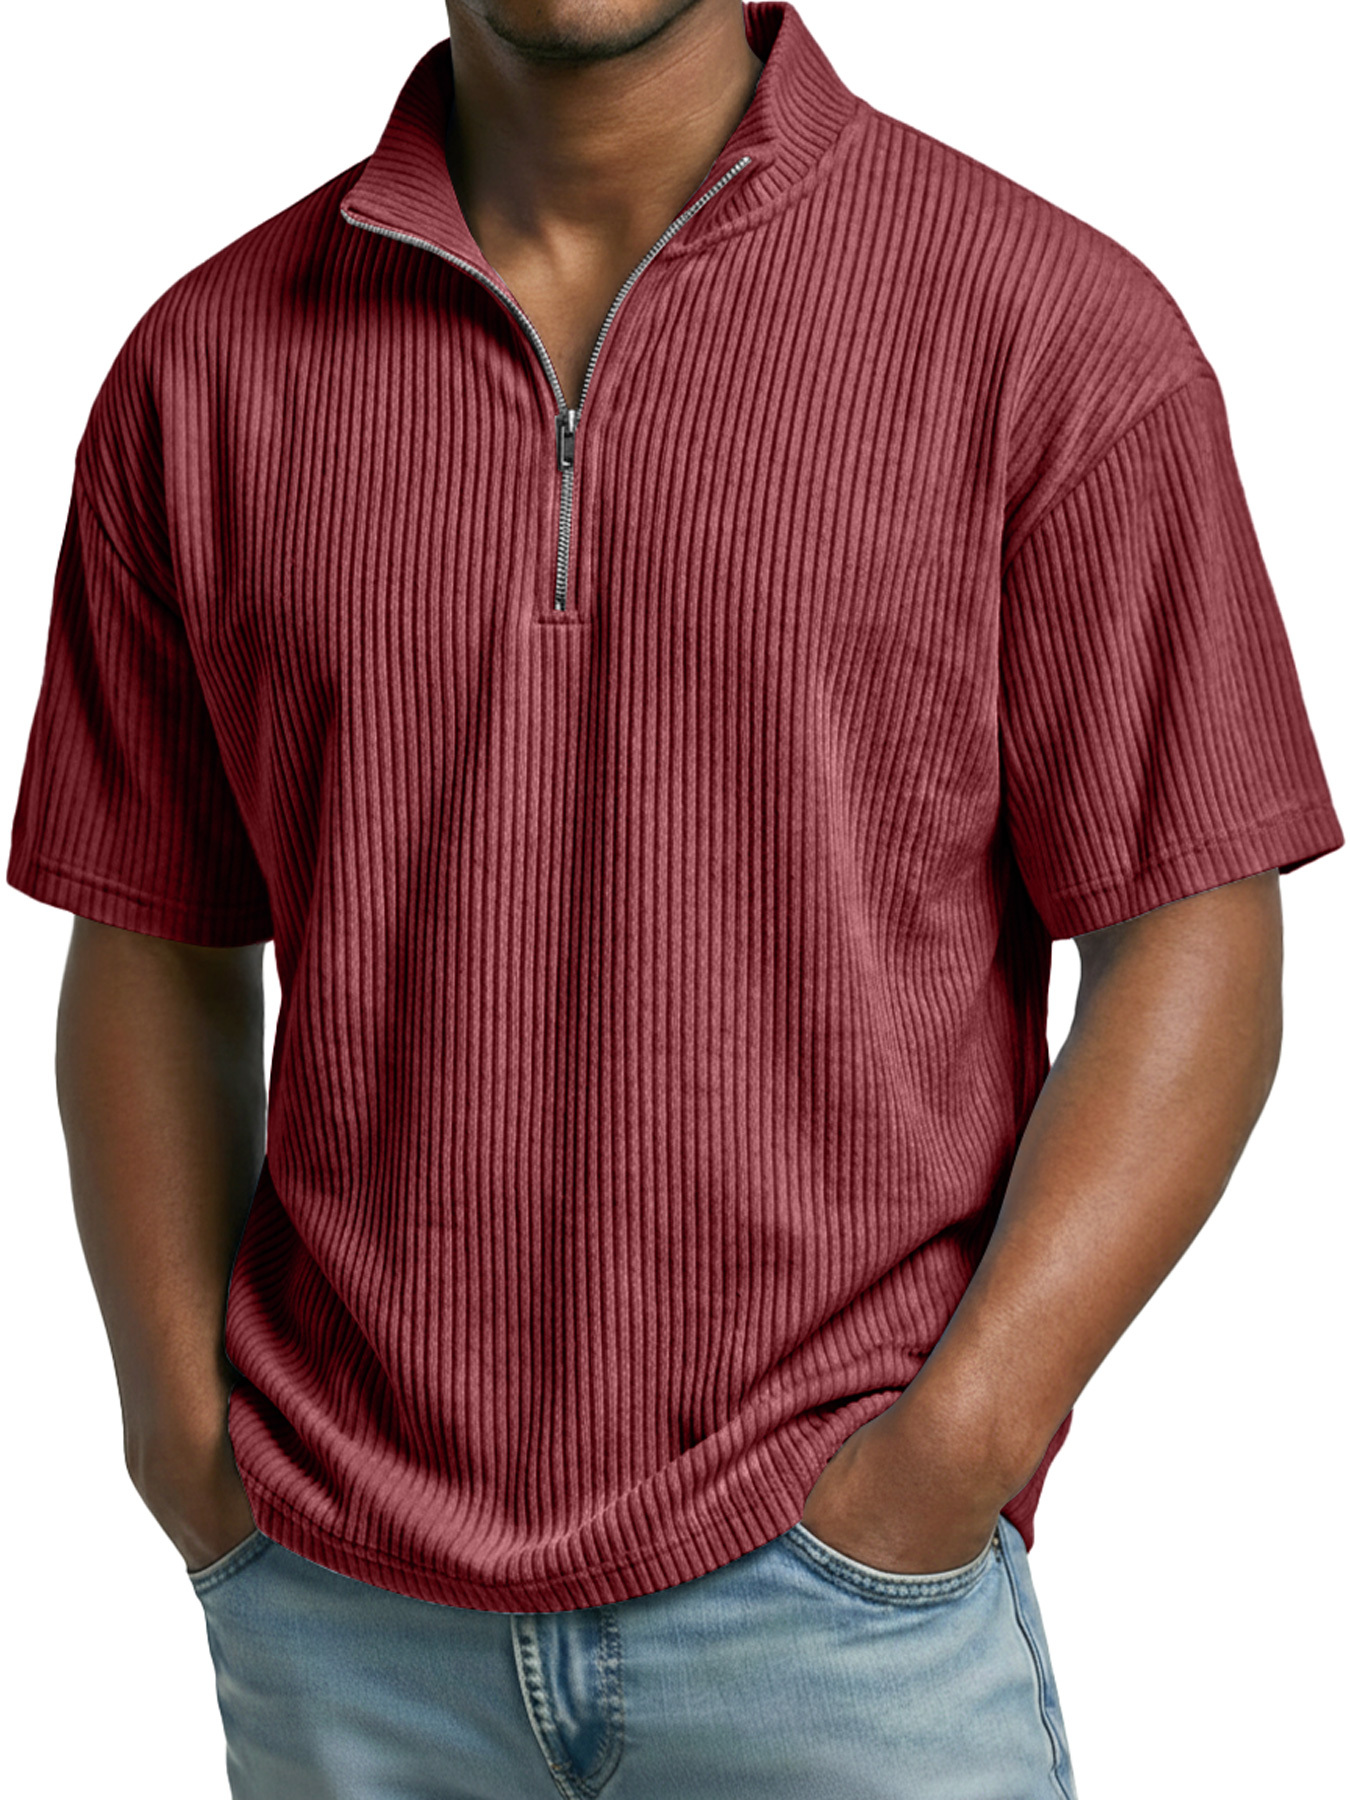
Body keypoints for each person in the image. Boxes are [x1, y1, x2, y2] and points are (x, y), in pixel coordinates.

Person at [8, 0, 1343, 1794]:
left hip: (838, 1600)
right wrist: (183, 1438)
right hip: (338, 1606)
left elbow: (1190, 920)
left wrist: (953, 1453)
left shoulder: (1047, 328)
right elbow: (153, 935)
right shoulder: (206, 366)